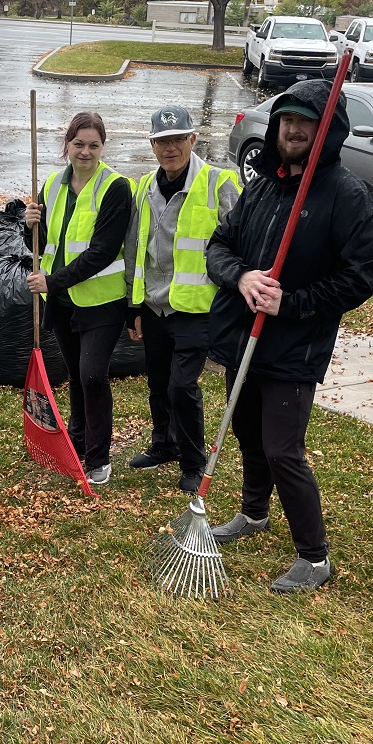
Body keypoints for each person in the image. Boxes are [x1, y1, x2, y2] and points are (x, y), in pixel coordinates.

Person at [205, 79, 373, 593]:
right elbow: (219, 246)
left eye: (307, 121)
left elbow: (358, 279)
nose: (294, 129)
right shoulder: (263, 185)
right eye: (287, 120)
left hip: (295, 346)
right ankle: (254, 513)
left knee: (284, 449)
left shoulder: (351, 198)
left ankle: (314, 556)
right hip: (243, 338)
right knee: (246, 433)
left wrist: (291, 302)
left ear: (330, 131)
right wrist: (241, 277)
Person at [125, 105, 241, 493]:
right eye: (162, 141)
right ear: (153, 144)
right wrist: (135, 305)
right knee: (159, 382)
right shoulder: (143, 187)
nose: (170, 148)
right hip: (155, 305)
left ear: (193, 140)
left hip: (196, 307)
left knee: (181, 386)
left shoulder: (219, 182)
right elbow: (134, 249)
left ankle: (194, 463)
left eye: (178, 140)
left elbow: (241, 242)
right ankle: (164, 445)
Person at [24, 111, 133, 486]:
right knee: (75, 374)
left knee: (92, 375)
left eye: (93, 145)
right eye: (78, 144)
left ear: (103, 147)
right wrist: (30, 224)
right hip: (64, 303)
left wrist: (52, 282)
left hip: (102, 301)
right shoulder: (52, 183)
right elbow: (42, 244)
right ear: (67, 145)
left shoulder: (115, 187)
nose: (85, 151)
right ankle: (79, 437)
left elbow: (102, 251)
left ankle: (99, 456)